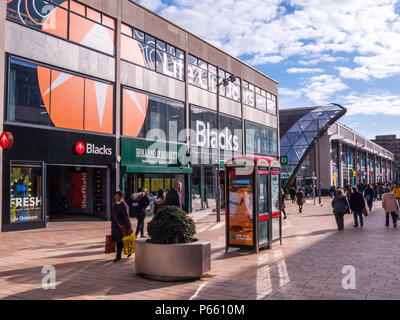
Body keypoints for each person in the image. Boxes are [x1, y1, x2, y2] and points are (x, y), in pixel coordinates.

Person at [111, 191, 132, 262]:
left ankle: (125, 252)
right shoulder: (114, 205)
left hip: (123, 226)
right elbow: (113, 218)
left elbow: (127, 217)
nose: (116, 198)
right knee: (118, 241)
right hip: (115, 227)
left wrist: (128, 227)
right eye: (115, 196)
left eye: (117, 196)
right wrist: (112, 229)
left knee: (123, 240)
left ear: (121, 197)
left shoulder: (124, 205)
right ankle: (119, 256)